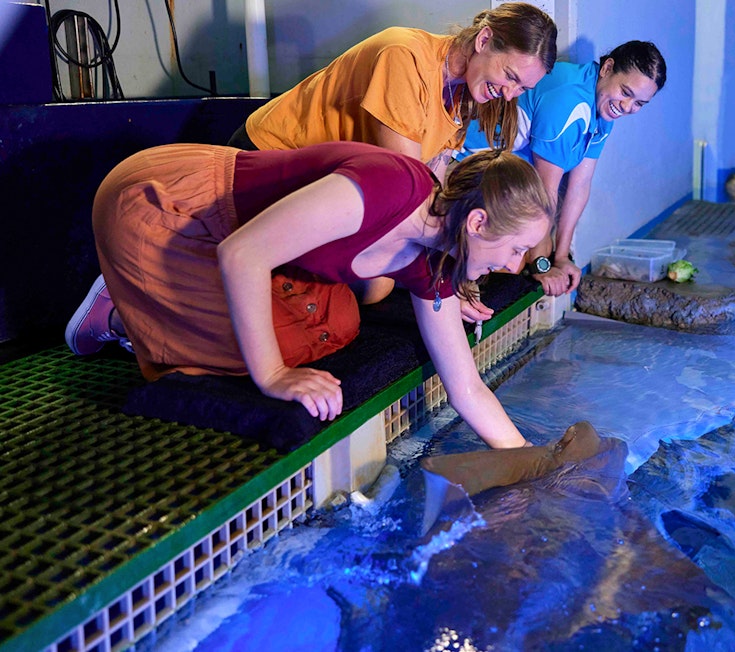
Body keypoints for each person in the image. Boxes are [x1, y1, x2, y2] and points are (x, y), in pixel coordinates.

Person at [65, 142, 553, 449]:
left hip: (245, 240)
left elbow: (466, 387)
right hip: (168, 204)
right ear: (477, 222)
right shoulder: (388, 188)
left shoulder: (436, 258)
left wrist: (527, 464)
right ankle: (120, 311)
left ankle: (156, 302)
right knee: (266, 351)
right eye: (516, 249)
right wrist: (273, 375)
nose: (515, 266)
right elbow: (242, 254)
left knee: (336, 328)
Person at [227, 2, 557, 317]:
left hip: (333, 183)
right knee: (378, 283)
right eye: (510, 76)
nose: (510, 94)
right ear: (484, 40)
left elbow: (436, 189)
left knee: (382, 281)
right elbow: (411, 197)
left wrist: (459, 266)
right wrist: (449, 278)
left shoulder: (462, 94)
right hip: (269, 158)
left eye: (522, 88)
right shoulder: (404, 56)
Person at [460, 41, 667, 297]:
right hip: (466, 168)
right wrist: (541, 264)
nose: (627, 107)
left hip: (504, 174)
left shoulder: (604, 106)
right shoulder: (570, 100)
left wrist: (561, 257)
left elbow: (580, 185)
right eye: (626, 92)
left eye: (639, 103)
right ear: (608, 68)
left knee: (528, 251)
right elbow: (545, 191)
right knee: (514, 265)